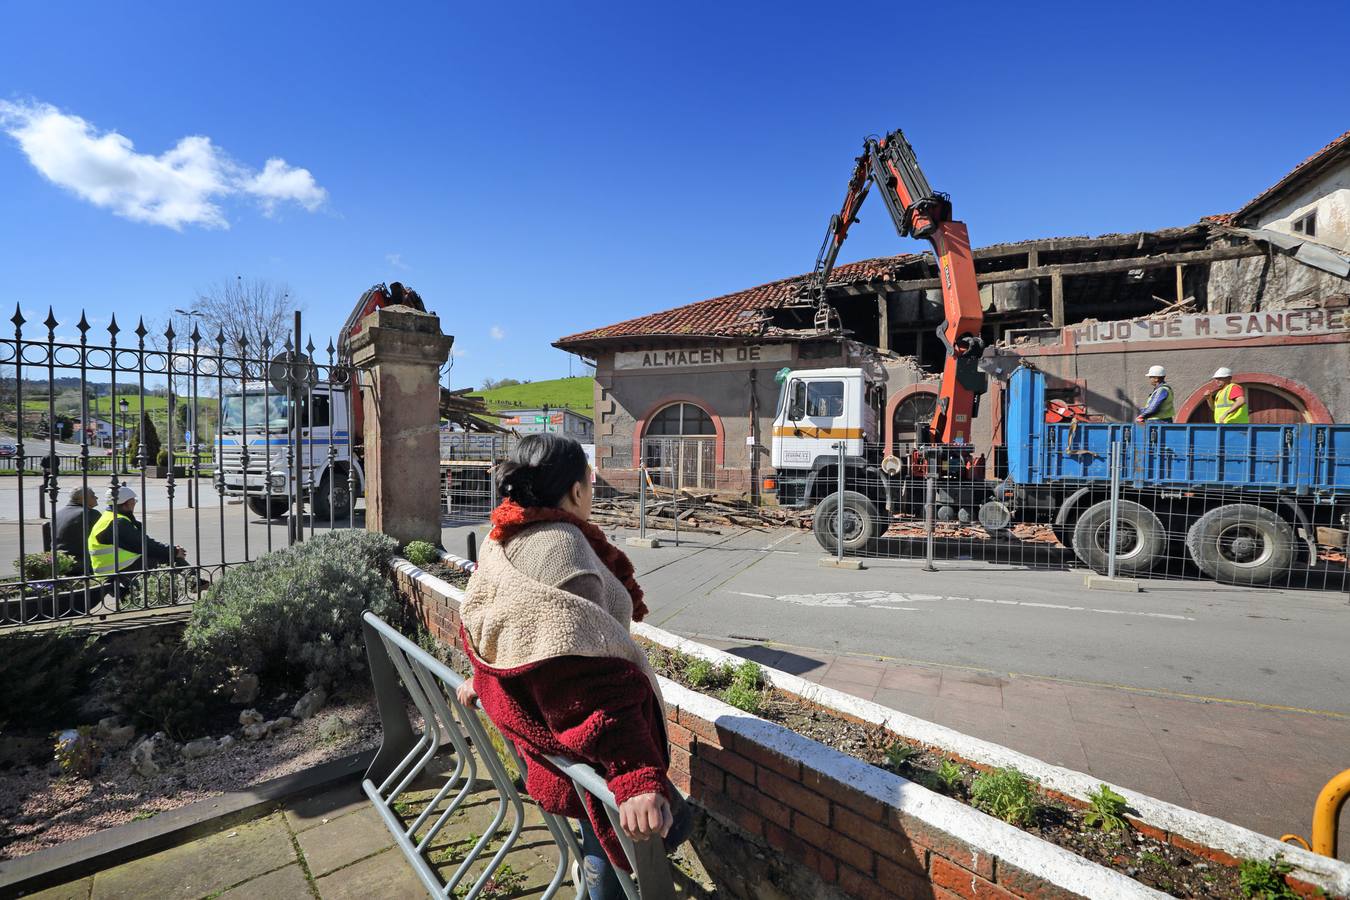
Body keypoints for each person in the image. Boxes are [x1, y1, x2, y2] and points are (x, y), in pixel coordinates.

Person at [455, 433, 690, 900]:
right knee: (630, 833)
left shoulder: (504, 535)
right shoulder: (563, 549)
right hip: (581, 751)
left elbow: (499, 623)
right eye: (590, 482)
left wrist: (487, 677)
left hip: (539, 730)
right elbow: (588, 681)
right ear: (578, 491)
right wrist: (633, 774)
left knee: (600, 835)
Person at [87, 485, 189, 591]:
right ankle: (194, 582)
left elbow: (143, 543)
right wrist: (173, 551)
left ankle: (194, 582)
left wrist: (171, 550)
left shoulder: (111, 517)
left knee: (167, 555)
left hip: (116, 567)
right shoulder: (118, 522)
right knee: (169, 557)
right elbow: (145, 545)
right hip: (117, 569)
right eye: (133, 500)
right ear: (126, 504)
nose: (135, 503)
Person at [44, 486, 100, 574]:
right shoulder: (89, 514)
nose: (96, 498)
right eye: (93, 496)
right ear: (82, 499)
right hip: (80, 564)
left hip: (57, 561)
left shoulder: (58, 513)